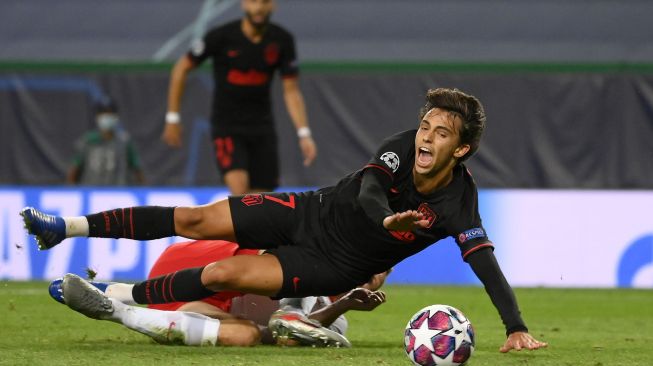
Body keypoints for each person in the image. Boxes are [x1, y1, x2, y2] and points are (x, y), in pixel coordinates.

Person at [23, 87, 547, 353]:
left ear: (463, 149)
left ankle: (116, 296)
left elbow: (485, 261)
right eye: (425, 127)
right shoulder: (398, 149)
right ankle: (63, 228)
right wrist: (387, 222)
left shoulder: (461, 206)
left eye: (440, 134)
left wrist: (516, 327)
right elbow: (368, 189)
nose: (426, 139)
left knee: (224, 276)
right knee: (194, 218)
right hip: (308, 210)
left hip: (330, 265)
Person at [50, 239, 387, 347]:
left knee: (248, 336)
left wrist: (341, 304)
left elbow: (287, 335)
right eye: (375, 260)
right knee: (280, 266)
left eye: (386, 269)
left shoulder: (337, 322)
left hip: (186, 307)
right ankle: (122, 293)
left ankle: (114, 308)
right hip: (200, 268)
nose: (377, 273)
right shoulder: (315, 250)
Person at [162, 0, 317, 194]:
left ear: (273, 5)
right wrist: (173, 117)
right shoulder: (222, 36)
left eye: (265, 2)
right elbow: (181, 68)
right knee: (240, 193)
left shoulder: (281, 40)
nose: (259, 8)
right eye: (253, 1)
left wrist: (304, 134)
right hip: (227, 127)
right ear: (244, 4)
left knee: (264, 202)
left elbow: (291, 90)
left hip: (262, 128)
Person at [67, 97, 144, 186]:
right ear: (97, 116)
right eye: (103, 113)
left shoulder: (124, 142)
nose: (107, 116)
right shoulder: (87, 141)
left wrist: (144, 193)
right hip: (92, 193)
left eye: (110, 113)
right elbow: (73, 171)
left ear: (116, 116)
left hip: (117, 194)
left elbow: (137, 170)